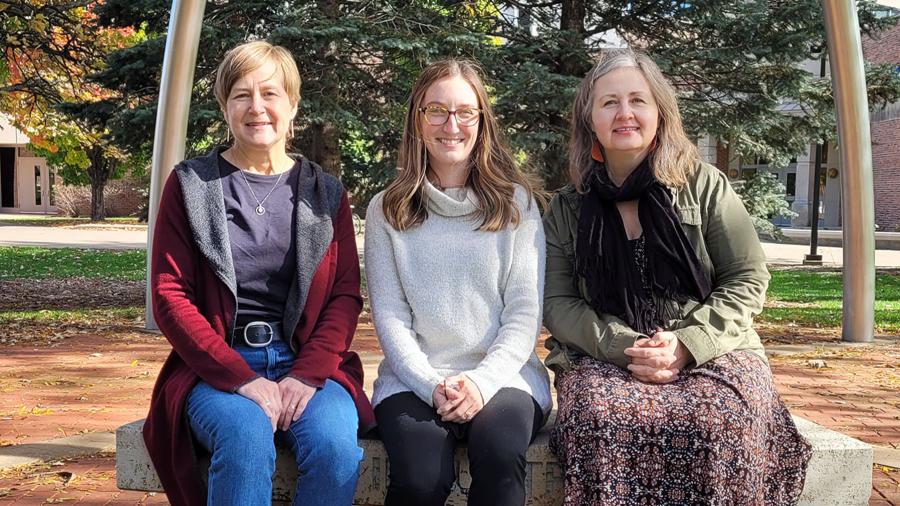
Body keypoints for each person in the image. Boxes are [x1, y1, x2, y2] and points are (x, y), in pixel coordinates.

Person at [541, 48, 811, 505]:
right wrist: (623, 346)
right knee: (599, 416)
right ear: (590, 120)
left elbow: (746, 277)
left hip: (714, 348)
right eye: (609, 103)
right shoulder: (566, 208)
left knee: (722, 418)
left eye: (637, 100)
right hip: (603, 354)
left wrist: (687, 343)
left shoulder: (704, 185)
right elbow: (557, 302)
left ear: (659, 112)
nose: (624, 113)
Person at [143, 40, 374, 506]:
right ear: (225, 106)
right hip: (217, 368)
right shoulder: (192, 184)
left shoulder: (324, 193)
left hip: (307, 365)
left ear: (293, 104)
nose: (256, 107)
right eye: (241, 95)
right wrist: (242, 379)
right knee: (247, 438)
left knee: (333, 447)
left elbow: (345, 296)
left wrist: (306, 376)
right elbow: (170, 295)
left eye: (270, 93)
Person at [364, 59, 552, 506]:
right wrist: (431, 384)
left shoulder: (516, 206)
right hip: (414, 380)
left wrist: (481, 383)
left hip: (505, 378)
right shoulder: (387, 210)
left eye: (465, 112)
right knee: (419, 476)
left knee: (500, 453)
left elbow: (523, 316)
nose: (452, 124)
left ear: (482, 121)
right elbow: (390, 318)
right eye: (437, 110)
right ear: (418, 120)